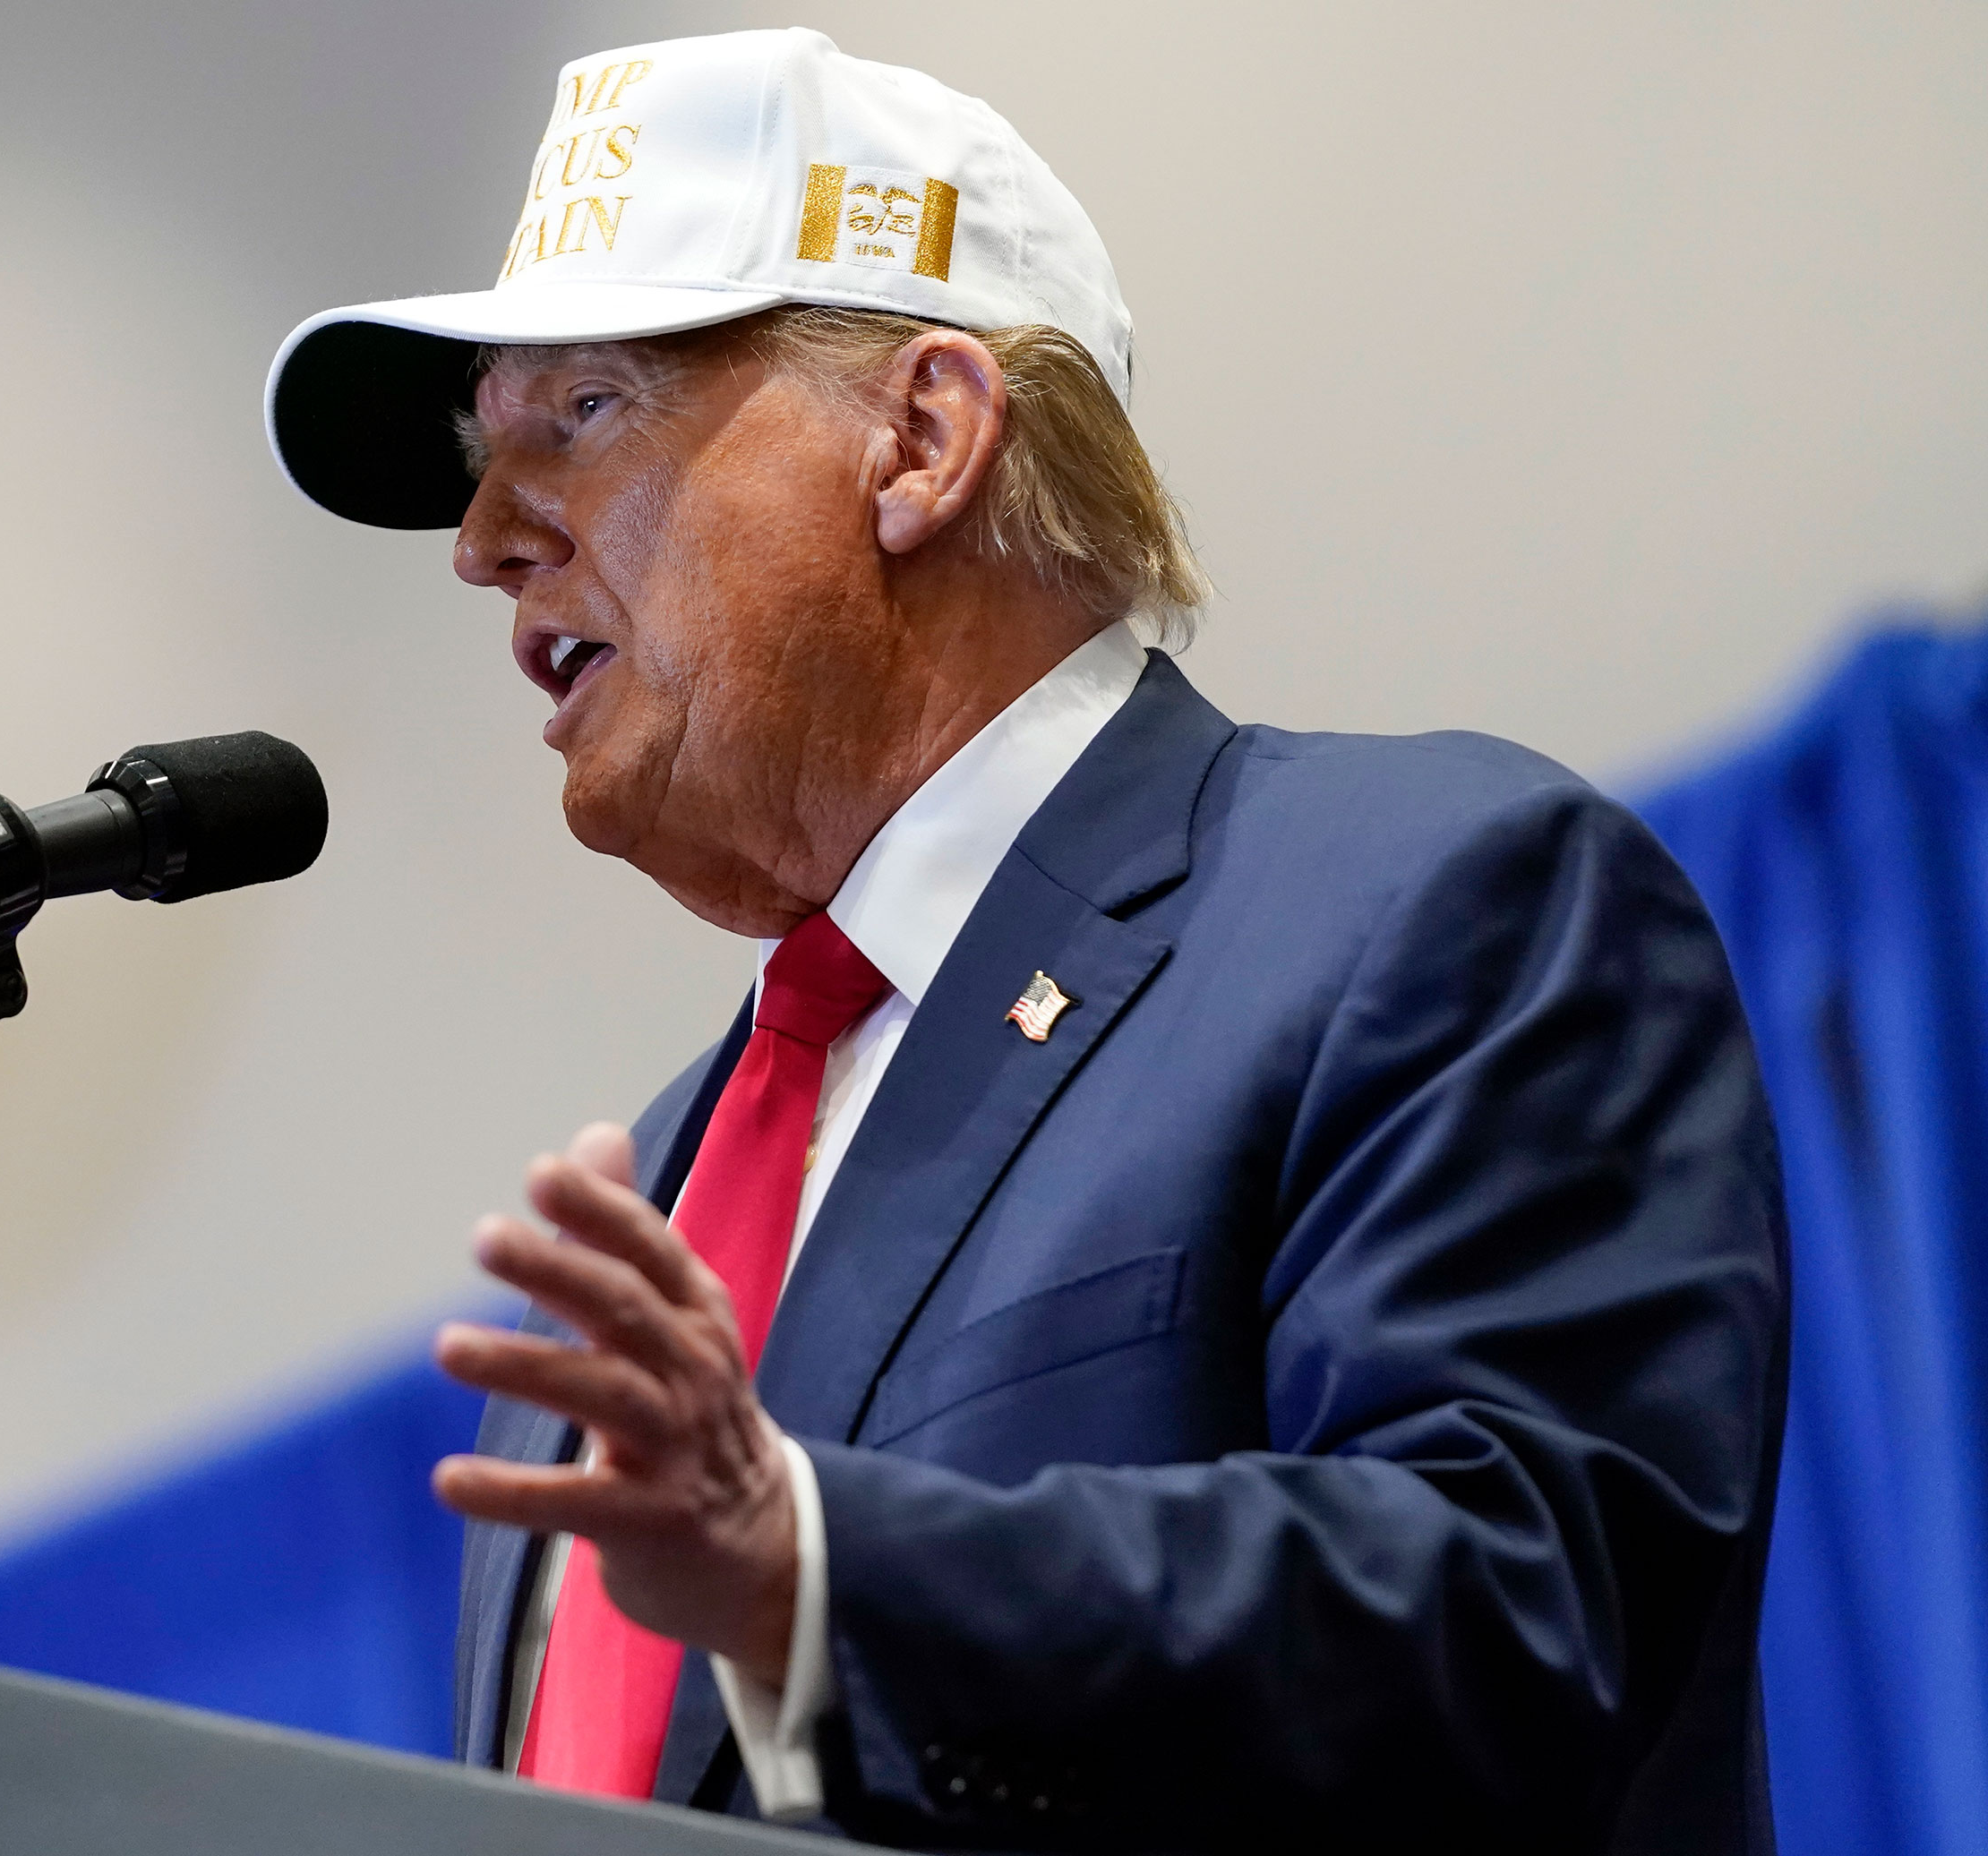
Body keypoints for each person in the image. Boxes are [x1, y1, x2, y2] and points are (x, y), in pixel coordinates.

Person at [263, 28, 1787, 1853]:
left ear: (922, 437)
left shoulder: (1434, 909)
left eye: (581, 412)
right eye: (479, 457)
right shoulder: (621, 1267)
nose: (486, 539)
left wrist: (814, 1564)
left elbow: (1519, 1614)